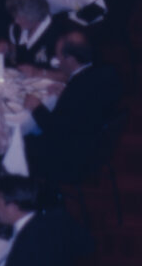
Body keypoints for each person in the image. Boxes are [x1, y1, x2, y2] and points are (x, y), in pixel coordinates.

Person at [22, 30, 122, 188]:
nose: (57, 62)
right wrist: (65, 93)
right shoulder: (105, 72)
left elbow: (54, 129)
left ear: (71, 59)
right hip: (94, 148)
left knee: (18, 144)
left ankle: (28, 195)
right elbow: (86, 106)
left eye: (59, 58)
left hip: (71, 160)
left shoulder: (77, 89)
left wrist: (36, 107)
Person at [2, 0, 68, 71]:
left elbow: (67, 75)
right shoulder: (16, 29)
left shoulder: (58, 35)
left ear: (33, 16)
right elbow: (14, 56)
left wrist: (38, 73)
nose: (16, 21)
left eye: (20, 17)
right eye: (15, 16)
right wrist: (6, 50)